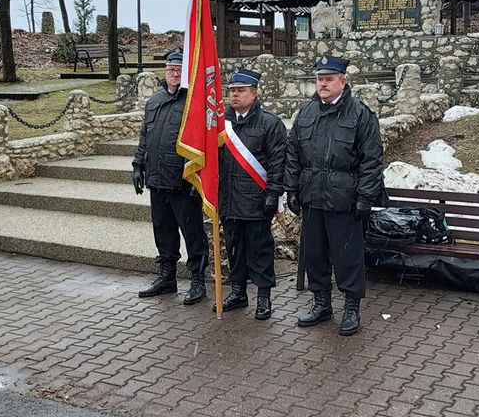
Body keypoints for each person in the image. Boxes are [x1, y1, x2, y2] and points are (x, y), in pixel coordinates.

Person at [285, 55, 385, 336]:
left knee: (347, 258)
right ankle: (321, 304)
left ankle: (351, 308)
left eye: (329, 79)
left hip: (345, 200)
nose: (323, 83)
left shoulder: (360, 114)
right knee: (315, 255)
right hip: (313, 197)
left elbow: (371, 160)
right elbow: (293, 154)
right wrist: (291, 189)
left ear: (343, 81)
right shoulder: (306, 114)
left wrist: (366, 198)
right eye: (320, 79)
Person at [132, 50, 209, 304]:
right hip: (156, 179)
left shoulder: (193, 103)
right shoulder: (154, 101)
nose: (174, 74)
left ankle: (198, 280)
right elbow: (146, 136)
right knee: (163, 231)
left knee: (193, 233)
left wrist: (196, 175)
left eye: (178, 70)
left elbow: (202, 144)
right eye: (170, 70)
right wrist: (137, 165)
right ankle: (167, 277)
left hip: (183, 181)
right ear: (164, 73)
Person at [217, 68, 286, 319]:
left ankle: (264, 297)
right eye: (232, 90)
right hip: (228, 199)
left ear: (254, 94)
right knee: (234, 249)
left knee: (260, 250)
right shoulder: (219, 123)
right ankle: (238, 292)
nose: (234, 95)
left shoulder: (270, 123)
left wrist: (273, 193)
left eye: (241, 90)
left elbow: (279, 163)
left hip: (256, 200)